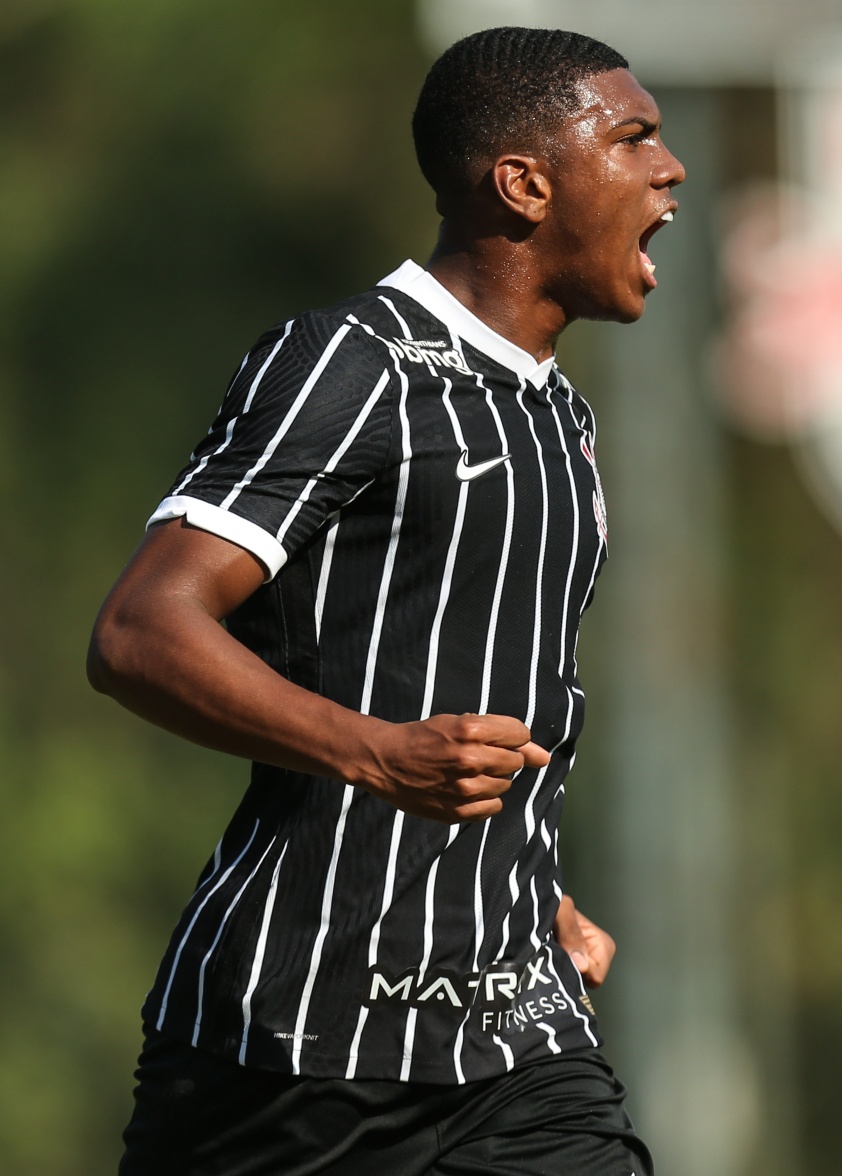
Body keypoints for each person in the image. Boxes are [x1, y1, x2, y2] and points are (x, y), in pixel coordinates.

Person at [88, 25, 684, 1176]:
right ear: (522, 183)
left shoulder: (557, 418)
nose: (667, 170)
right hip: (292, 1048)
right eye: (632, 138)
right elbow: (137, 631)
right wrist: (374, 754)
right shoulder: (352, 364)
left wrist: (524, 885)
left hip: (514, 1037)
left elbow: (468, 681)